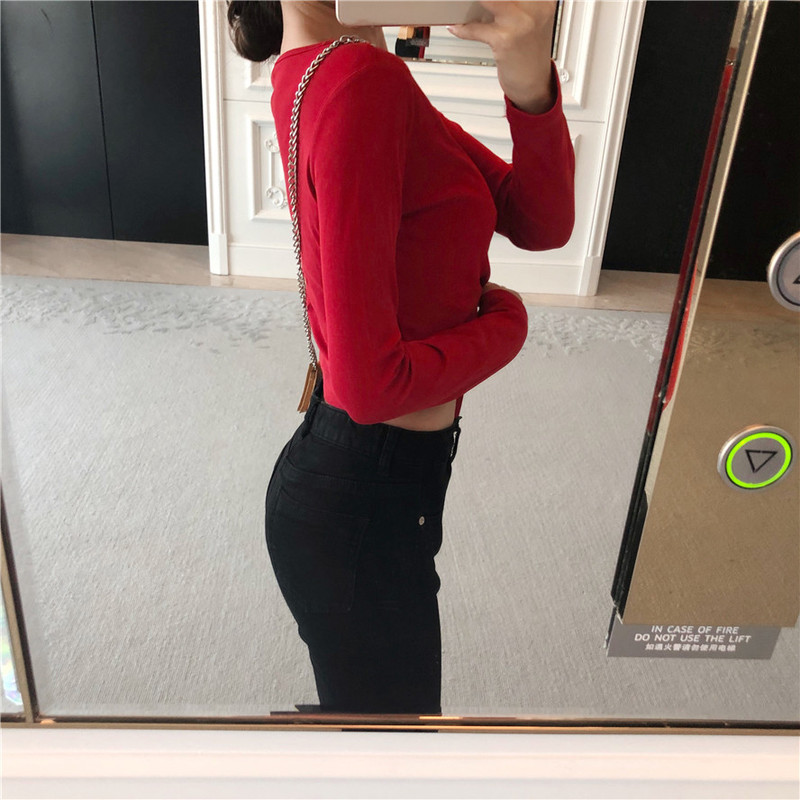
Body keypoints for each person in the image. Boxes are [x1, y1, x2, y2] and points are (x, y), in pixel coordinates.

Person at [226, 0, 575, 714]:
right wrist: (507, 324)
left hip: (369, 490)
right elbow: (371, 386)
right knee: (394, 745)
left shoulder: (335, 70)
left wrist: (529, 83)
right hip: (364, 501)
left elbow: (539, 219)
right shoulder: (360, 78)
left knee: (380, 732)